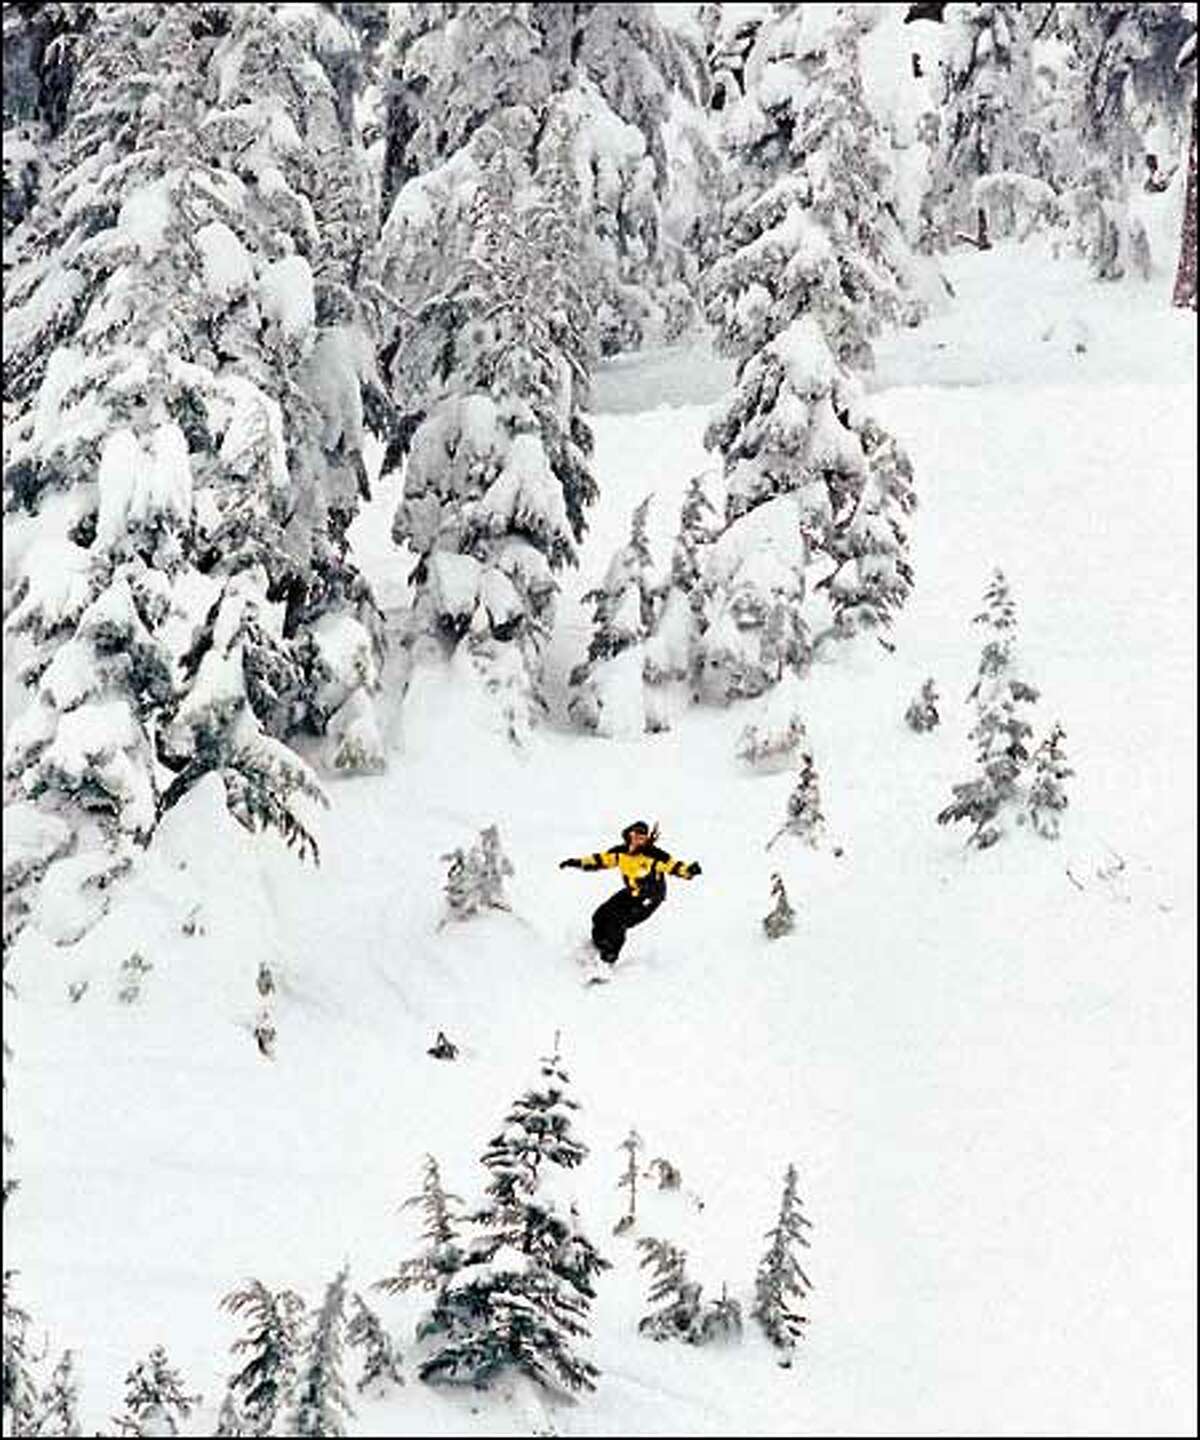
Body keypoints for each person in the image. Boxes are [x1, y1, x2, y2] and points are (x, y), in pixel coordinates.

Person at [559, 821, 702, 965]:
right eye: (636, 835)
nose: (639, 839)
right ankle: (598, 946)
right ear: (630, 835)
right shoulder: (621, 853)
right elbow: (600, 860)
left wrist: (688, 871)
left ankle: (608, 958)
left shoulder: (653, 855)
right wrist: (576, 862)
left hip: (650, 897)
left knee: (618, 922)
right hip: (632, 892)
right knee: (601, 915)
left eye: (643, 836)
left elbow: (673, 866)